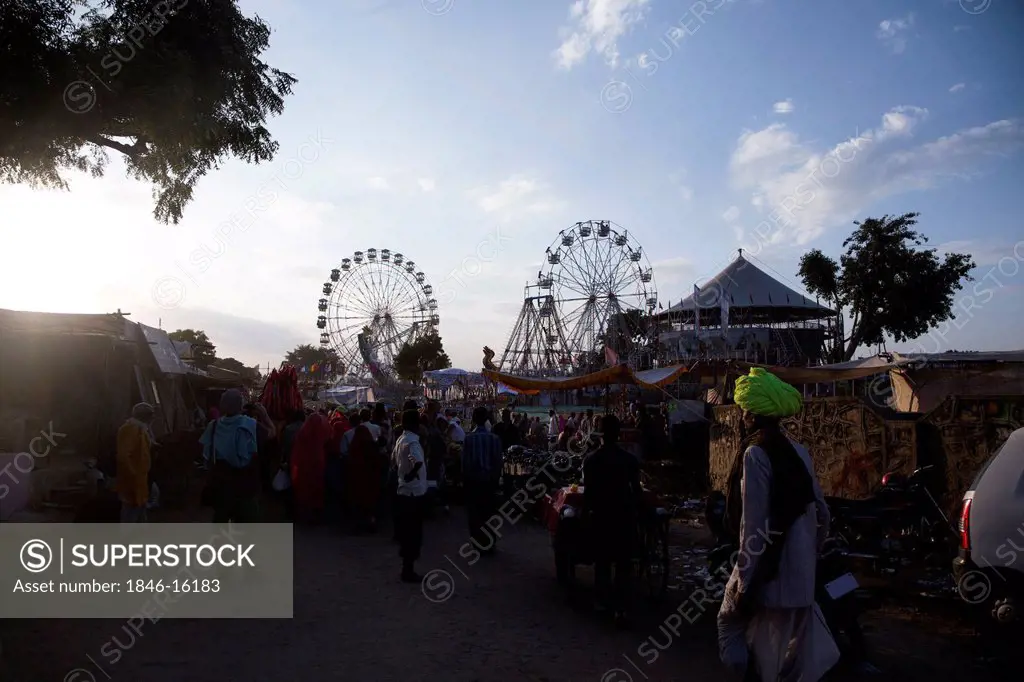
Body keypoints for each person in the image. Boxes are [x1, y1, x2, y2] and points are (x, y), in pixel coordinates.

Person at [717, 368, 832, 682]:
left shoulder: (755, 454)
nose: (741, 418)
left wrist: (745, 581)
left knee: (733, 627)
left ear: (752, 415)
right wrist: (811, 552)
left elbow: (751, 526)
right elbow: (822, 512)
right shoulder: (799, 451)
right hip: (802, 577)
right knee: (788, 657)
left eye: (743, 412)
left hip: (771, 577)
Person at [582, 414, 642, 626]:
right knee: (623, 564)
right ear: (618, 434)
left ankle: (603, 603)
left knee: (603, 562)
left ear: (600, 434)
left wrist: (585, 516)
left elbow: (587, 494)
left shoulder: (591, 461)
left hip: (601, 517)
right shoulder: (629, 461)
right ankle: (621, 606)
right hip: (623, 517)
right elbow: (637, 492)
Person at [201, 389, 261, 522]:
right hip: (244, 485)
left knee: (220, 524)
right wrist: (264, 414)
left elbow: (207, 457)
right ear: (240, 405)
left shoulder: (214, 425)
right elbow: (272, 434)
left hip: (221, 484)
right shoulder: (251, 424)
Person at [461, 406, 504, 554]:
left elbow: (464, 464)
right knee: (489, 513)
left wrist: (465, 482)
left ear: (473, 419)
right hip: (489, 482)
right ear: (486, 419)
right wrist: (496, 479)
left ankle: (477, 543)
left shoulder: (468, 439)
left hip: (473, 482)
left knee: (475, 514)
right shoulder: (494, 439)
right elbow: (498, 462)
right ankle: (489, 543)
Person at [393, 408, 428, 582]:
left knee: (407, 532)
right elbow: (418, 461)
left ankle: (406, 567)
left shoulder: (401, 439)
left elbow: (394, 461)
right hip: (414, 492)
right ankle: (408, 570)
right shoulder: (413, 442)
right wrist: (412, 473)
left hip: (403, 491)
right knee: (413, 533)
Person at [288, 412, 332, 523]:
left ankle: (304, 515)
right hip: (318, 463)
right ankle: (316, 515)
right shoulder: (323, 432)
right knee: (317, 488)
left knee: (304, 489)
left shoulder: (302, 434)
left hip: (304, 465)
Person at [115, 402, 156, 522]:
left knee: (140, 510)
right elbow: (123, 455)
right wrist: (133, 474)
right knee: (130, 513)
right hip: (132, 480)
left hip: (140, 479)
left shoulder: (140, 429)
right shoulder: (130, 429)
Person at [347, 412, 385, 532]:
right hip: (369, 480)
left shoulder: (354, 444)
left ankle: (358, 525)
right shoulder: (371, 445)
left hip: (356, 479)